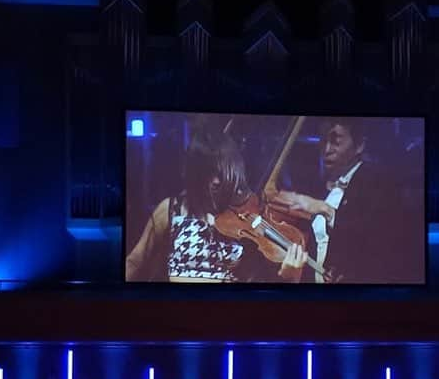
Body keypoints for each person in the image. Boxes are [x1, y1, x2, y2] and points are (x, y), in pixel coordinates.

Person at [125, 119, 306, 283]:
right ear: (195, 171)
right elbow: (135, 261)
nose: (217, 181)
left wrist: (290, 279)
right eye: (208, 172)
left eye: (222, 172)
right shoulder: (172, 209)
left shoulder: (246, 218)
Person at [267, 118, 419, 284]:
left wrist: (324, 209)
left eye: (335, 141)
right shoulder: (320, 186)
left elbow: (377, 237)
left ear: (359, 145)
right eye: (323, 140)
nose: (326, 149)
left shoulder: (378, 183)